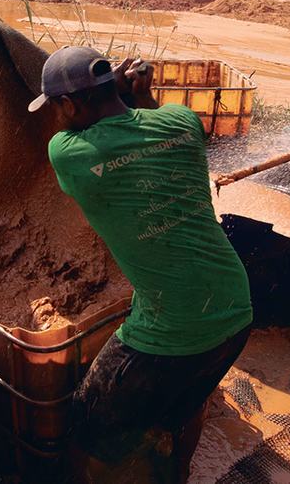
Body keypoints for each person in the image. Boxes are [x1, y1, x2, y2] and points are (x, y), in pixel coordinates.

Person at [30, 47, 254, 482]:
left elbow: (92, 142)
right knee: (187, 403)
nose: (56, 117)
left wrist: (118, 92)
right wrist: (137, 95)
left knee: (88, 421)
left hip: (171, 328)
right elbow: (152, 123)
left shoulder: (69, 153)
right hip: (235, 307)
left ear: (70, 105)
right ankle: (177, 474)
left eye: (56, 108)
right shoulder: (182, 122)